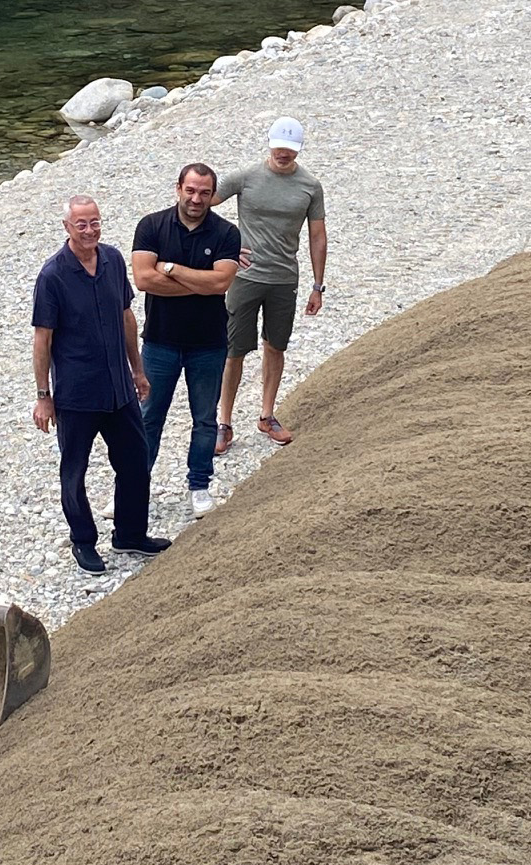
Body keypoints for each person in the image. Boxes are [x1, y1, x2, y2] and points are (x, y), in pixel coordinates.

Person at [32, 195, 172, 575]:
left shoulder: (111, 260)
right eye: (81, 224)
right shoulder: (53, 275)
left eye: (94, 222)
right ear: (67, 227)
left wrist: (138, 371)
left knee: (134, 460)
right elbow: (42, 339)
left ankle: (130, 533)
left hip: (119, 387)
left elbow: (127, 317)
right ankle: (84, 541)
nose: (90, 230)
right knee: (74, 471)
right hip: (77, 394)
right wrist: (44, 397)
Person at [131, 163, 242, 519]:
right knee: (148, 417)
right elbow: (144, 280)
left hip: (208, 342)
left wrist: (172, 269)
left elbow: (220, 284)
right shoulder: (151, 226)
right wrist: (199, 283)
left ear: (212, 195)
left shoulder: (226, 233)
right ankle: (135, 485)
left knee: (205, 419)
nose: (196, 199)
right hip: (160, 340)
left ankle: (199, 485)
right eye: (190, 190)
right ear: (178, 188)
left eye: (204, 193)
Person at [212, 115, 327, 454]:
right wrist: (225, 248)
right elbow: (201, 203)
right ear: (269, 143)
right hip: (245, 278)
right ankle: (224, 422)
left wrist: (318, 285)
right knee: (234, 350)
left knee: (275, 346)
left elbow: (317, 236)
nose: (283, 154)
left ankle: (266, 415)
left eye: (290, 150)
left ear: (299, 150)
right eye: (279, 148)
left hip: (283, 279)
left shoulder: (310, 186)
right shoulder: (246, 178)